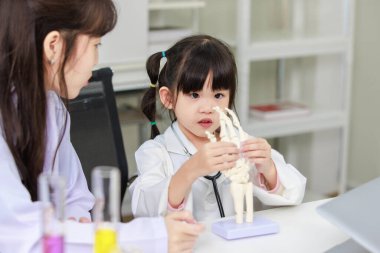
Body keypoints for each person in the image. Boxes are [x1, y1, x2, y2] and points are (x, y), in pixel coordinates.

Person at [0, 0, 203, 252]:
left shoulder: (51, 108)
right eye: (96, 44)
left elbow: (76, 197)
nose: (97, 59)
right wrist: (153, 236)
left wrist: (77, 223)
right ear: (54, 45)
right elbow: (21, 235)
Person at [130, 35, 307, 221]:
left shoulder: (240, 142)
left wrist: (269, 169)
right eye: (194, 94)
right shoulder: (155, 152)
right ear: (168, 98)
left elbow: (294, 194)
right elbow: (144, 209)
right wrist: (190, 170)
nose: (208, 108)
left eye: (218, 95)